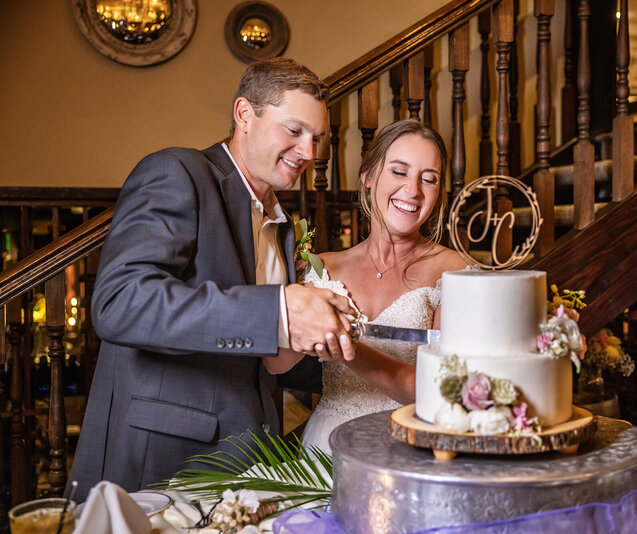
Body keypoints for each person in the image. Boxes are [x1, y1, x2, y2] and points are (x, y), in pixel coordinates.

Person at [68, 58, 357, 502]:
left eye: (318, 138)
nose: (310, 152)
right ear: (244, 114)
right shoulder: (178, 172)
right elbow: (121, 302)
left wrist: (319, 334)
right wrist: (278, 310)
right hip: (165, 460)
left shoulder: (280, 227)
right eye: (294, 130)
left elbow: (253, 348)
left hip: (247, 464)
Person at [263, 119, 469, 454]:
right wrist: (299, 311)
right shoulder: (321, 268)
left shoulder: (456, 272)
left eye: (428, 179)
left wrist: (348, 347)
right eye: (399, 171)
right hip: (326, 447)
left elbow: (441, 392)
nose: (413, 190)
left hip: (409, 448)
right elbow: (276, 364)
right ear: (369, 177)